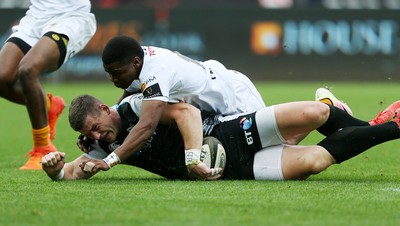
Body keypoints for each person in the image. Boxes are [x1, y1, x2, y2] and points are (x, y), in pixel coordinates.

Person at [41, 91, 400, 181]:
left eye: (95, 125)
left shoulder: (139, 106)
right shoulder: (101, 146)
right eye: (89, 133)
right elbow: (75, 171)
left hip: (227, 132)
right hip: (232, 170)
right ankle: (392, 128)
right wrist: (56, 169)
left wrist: (192, 158)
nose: (96, 135)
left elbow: (187, 112)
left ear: (105, 109)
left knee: (317, 113)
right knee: (316, 161)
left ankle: (343, 111)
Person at [99, 35, 272, 172]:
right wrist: (110, 114)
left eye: (117, 73)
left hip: (234, 93)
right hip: (216, 105)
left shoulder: (155, 73)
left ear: (136, 62)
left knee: (272, 144)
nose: (113, 79)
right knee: (259, 150)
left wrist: (110, 160)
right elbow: (131, 89)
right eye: (109, 73)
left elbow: (146, 126)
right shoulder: (135, 60)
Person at [0, 0, 97, 170]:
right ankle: (49, 105)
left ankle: (43, 148)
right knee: (2, 77)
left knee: (28, 70)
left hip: (69, 19)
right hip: (35, 18)